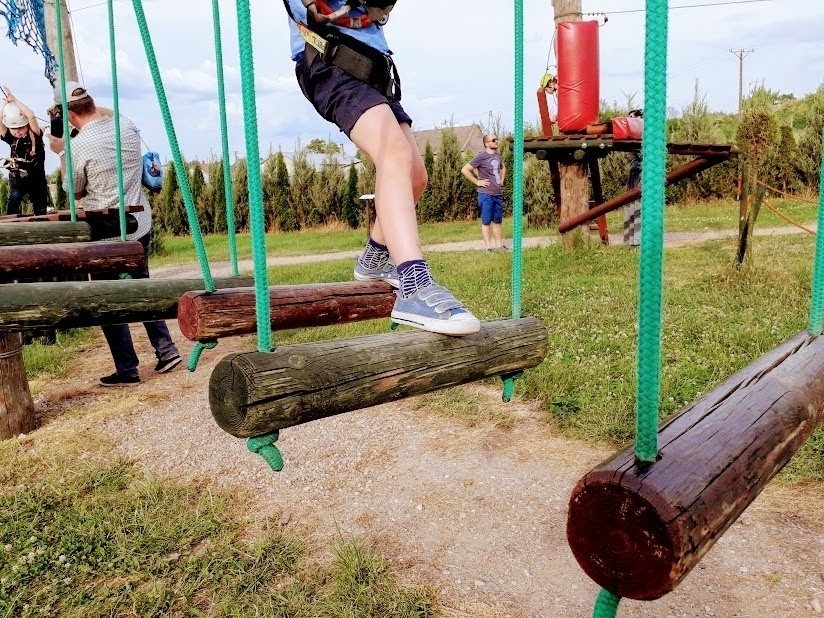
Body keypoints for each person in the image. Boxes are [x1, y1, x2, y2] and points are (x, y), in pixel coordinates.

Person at [285, 0, 480, 336]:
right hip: (329, 59)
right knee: (394, 156)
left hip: (373, 69)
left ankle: (374, 258)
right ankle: (414, 284)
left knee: (416, 177)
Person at [48, 81, 182, 386]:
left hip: (105, 233)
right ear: (91, 104)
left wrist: (62, 150)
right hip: (139, 225)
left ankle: (127, 367)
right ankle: (166, 350)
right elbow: (109, 113)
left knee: (106, 298)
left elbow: (75, 191)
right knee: (142, 287)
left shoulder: (77, 146)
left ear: (69, 115)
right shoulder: (125, 125)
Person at [0, 86, 50, 216]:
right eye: (13, 128)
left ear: (27, 125)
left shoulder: (35, 135)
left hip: (37, 180)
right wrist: (6, 105)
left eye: (21, 127)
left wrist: (15, 100)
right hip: (18, 181)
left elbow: (31, 115)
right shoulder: (11, 138)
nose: (18, 131)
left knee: (40, 209)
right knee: (13, 204)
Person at [461, 134, 508, 251]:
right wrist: (477, 182)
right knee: (486, 221)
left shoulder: (498, 156)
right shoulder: (481, 157)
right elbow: (465, 169)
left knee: (497, 221)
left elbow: (503, 167)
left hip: (497, 193)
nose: (497, 141)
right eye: (493, 140)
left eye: (497, 139)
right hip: (485, 194)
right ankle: (488, 248)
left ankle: (499, 245)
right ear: (487, 143)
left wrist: (501, 180)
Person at [623, 109, 643, 247]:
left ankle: (636, 240)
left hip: (641, 172)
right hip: (635, 172)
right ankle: (631, 240)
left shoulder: (644, 133)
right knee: (631, 205)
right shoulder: (633, 136)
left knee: (638, 206)